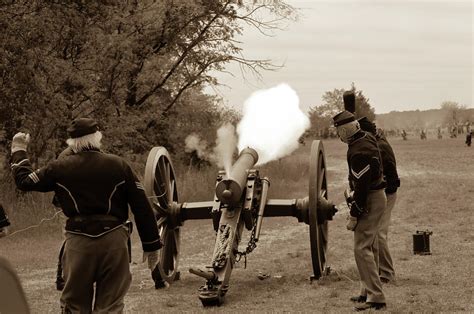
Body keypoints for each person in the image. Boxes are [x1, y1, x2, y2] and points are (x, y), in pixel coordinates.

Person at [10, 118, 162, 313]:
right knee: (111, 307)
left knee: (74, 306)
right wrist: (151, 245)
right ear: (97, 137)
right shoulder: (119, 165)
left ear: (71, 142)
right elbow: (142, 206)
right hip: (114, 242)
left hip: (78, 243)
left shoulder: (59, 167)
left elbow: (24, 181)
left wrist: (19, 148)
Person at [333, 110, 387, 311]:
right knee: (370, 246)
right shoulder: (365, 137)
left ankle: (376, 296)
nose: (338, 134)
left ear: (346, 131)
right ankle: (367, 291)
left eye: (339, 130)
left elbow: (362, 188)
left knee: (361, 248)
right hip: (377, 194)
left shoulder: (358, 152)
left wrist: (354, 215)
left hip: (371, 198)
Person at [358, 117, 400, 284]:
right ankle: (378, 271)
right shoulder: (376, 143)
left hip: (387, 193)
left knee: (380, 234)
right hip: (383, 192)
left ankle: (387, 273)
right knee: (376, 234)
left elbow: (388, 174)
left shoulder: (380, 147)